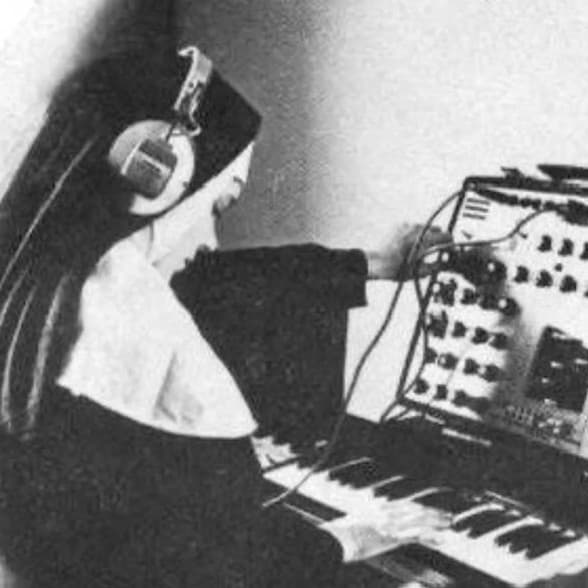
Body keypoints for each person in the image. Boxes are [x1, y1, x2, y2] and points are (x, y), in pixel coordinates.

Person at [0, 46, 450, 587]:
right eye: (217, 207)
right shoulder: (127, 318)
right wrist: (351, 537)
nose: (211, 240)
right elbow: (226, 557)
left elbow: (222, 280)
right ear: (158, 181)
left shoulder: (43, 279)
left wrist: (373, 264)